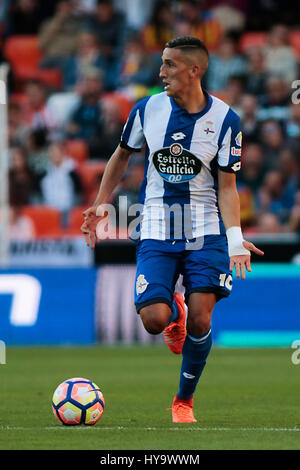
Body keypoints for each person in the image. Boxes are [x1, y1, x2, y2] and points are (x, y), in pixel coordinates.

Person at [81, 36, 264, 423]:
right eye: (162, 63)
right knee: (153, 320)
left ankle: (183, 401)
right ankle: (172, 310)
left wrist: (234, 239)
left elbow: (228, 188)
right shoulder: (148, 109)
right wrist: (101, 203)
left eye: (169, 65)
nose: (161, 72)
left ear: (194, 70)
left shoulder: (226, 120)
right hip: (157, 228)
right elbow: (121, 156)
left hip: (205, 229)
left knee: (202, 318)